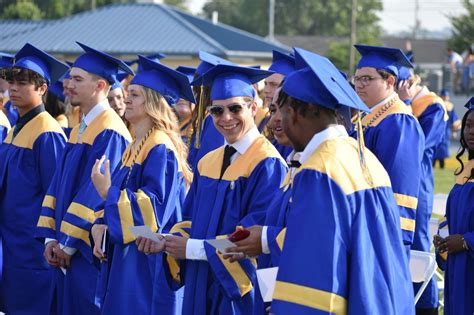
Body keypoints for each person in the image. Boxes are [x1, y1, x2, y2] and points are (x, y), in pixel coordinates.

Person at [270, 47, 414, 315]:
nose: (278, 120)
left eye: (282, 110)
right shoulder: (363, 157)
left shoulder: (320, 171)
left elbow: (314, 281)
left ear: (300, 112)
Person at [137, 64, 287, 314]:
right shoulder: (209, 161)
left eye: (235, 108)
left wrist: (192, 249)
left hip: (239, 292)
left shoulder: (267, 163)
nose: (226, 118)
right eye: (217, 111)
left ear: (252, 107)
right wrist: (169, 242)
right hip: (199, 281)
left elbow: (250, 239)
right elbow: (188, 220)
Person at [90, 55, 194, 315]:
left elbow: (152, 211)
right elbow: (123, 200)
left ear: (153, 103)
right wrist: (100, 224)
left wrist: (106, 191)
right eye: (128, 92)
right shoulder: (136, 144)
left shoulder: (160, 147)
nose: (126, 98)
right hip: (129, 256)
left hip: (149, 261)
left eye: (134, 94)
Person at [35, 42, 133, 315]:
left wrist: (67, 243)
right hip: (66, 249)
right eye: (69, 77)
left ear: (100, 86)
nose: (68, 84)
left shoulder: (110, 130)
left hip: (86, 252)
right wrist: (49, 239)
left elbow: (94, 191)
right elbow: (58, 183)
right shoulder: (80, 128)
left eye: (78, 79)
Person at [0, 43, 68, 314]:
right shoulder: (15, 128)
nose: (13, 88)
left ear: (42, 89)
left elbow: (56, 192)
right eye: (12, 81)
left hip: (33, 246)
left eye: (23, 82)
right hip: (11, 242)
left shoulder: (47, 132)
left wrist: (50, 239)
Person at [352, 44, 425, 252]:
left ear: (390, 81)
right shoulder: (368, 117)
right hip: (362, 224)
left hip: (381, 234)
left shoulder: (398, 122)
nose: (359, 84)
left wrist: (390, 236)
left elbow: (398, 187)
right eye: (357, 78)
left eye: (367, 78)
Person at [398, 71, 447, 314]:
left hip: (418, 187)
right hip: (400, 187)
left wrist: (405, 105)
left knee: (417, 247)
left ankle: (426, 306)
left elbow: (418, 144)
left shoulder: (433, 108)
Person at [433, 96, 474, 315]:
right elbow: (454, 218)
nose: (471, 131)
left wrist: (466, 241)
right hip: (459, 268)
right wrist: (445, 241)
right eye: (468, 125)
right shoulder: (466, 172)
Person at [186, 51, 233, 171]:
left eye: (196, 88)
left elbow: (208, 160)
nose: (195, 93)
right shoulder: (206, 117)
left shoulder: (213, 120)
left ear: (203, 90)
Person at [260, 50, 296, 160]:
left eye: (273, 84)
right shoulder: (265, 121)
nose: (266, 90)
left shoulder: (295, 131)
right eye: (265, 84)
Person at [434, 89, 461, 168]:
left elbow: (453, 119)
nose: (445, 97)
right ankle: (433, 164)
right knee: (435, 146)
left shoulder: (450, 106)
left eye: (446, 96)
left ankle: (442, 165)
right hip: (437, 129)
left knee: (443, 148)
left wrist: (454, 131)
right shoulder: (437, 104)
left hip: (446, 130)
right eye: (444, 96)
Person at [175, 66, 196, 143]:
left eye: (187, 92)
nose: (182, 98)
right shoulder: (167, 127)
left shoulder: (202, 128)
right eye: (178, 92)